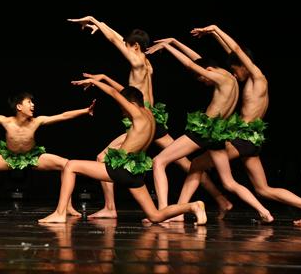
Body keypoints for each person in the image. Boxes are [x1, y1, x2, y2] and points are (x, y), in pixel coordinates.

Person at [67, 16, 231, 219]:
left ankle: (111, 208)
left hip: (142, 123)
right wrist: (104, 72)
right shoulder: (147, 64)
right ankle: (220, 199)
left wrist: (96, 21)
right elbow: (122, 50)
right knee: (184, 163)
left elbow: (114, 40)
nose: (125, 49)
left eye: (128, 47)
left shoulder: (136, 62)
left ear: (135, 46)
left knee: (103, 158)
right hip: (153, 120)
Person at [175, 25, 301, 224]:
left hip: (242, 138)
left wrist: (215, 29)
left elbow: (236, 50)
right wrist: (214, 35)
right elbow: (233, 53)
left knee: (197, 164)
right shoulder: (252, 79)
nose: (234, 75)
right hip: (250, 140)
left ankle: (178, 211)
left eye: (235, 69)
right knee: (263, 189)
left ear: (244, 65)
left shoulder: (258, 78)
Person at [38, 78, 207, 224]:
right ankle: (193, 206)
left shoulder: (138, 115)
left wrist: (95, 81)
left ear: (132, 105)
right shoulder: (150, 115)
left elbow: (114, 93)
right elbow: (125, 92)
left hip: (120, 169)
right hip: (134, 173)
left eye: (124, 107)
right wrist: (105, 78)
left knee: (71, 166)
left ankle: (60, 213)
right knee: (155, 216)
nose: (123, 112)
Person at [146, 37, 273, 222]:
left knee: (159, 161)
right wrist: (174, 42)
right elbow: (198, 61)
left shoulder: (220, 78)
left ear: (210, 71)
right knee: (227, 182)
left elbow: (191, 64)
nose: (204, 82)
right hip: (217, 135)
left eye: (203, 77)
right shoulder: (230, 77)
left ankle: (164, 212)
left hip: (203, 131)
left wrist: (167, 47)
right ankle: (264, 211)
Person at [0, 92, 96, 217]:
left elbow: (63, 116)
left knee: (66, 164)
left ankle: (67, 207)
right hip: (9, 158)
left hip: (32, 157)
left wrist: (85, 110)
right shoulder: (6, 121)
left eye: (32, 102)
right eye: (29, 102)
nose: (33, 105)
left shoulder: (37, 121)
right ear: (19, 107)